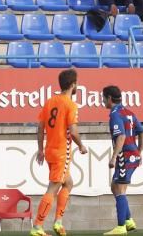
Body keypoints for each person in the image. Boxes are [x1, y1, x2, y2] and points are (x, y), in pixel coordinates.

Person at [31, 69, 87, 236]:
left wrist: (40, 149)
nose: (77, 85)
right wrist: (81, 146)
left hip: (50, 151)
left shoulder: (50, 101)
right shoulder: (70, 104)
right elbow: (74, 131)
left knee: (68, 183)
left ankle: (58, 222)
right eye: (77, 82)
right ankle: (37, 226)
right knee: (53, 187)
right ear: (72, 84)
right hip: (62, 152)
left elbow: (40, 127)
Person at [102, 85, 143, 236]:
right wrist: (139, 151)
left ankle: (121, 227)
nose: (102, 101)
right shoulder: (128, 112)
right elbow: (142, 131)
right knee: (115, 186)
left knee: (120, 189)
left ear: (109, 98)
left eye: (103, 98)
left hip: (124, 156)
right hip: (132, 154)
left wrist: (114, 157)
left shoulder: (115, 114)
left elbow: (121, 137)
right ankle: (128, 221)